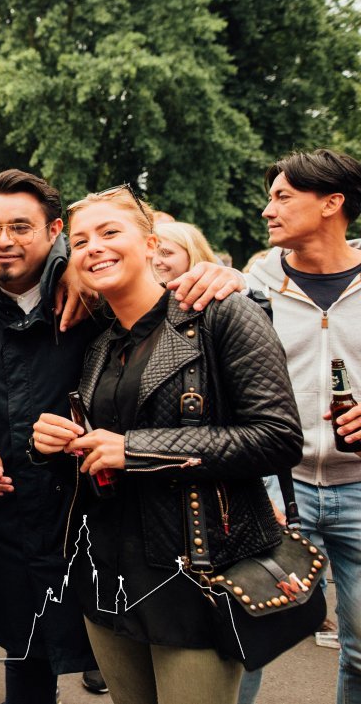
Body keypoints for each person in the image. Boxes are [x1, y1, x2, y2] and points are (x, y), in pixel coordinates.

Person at [31, 185, 302, 704]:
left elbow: (278, 438)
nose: (94, 247)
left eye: (110, 232)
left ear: (151, 243)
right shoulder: (102, 344)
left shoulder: (222, 313)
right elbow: (100, 459)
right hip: (108, 576)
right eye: (81, 241)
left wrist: (134, 449)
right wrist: (54, 446)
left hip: (195, 576)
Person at [0, 170, 102, 702]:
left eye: (21, 227)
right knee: (24, 657)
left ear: (54, 231)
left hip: (91, 518)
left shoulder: (95, 300)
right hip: (7, 520)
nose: (3, 240)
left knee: (123, 657)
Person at [244, 149, 361, 703]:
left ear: (332, 203)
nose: (268, 209)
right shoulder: (253, 287)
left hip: (359, 489)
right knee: (245, 641)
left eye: (283, 197)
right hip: (276, 487)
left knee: (360, 653)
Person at [152, 221, 218, 284]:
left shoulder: (219, 289)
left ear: (193, 255)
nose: (154, 262)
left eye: (165, 253)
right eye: (151, 254)